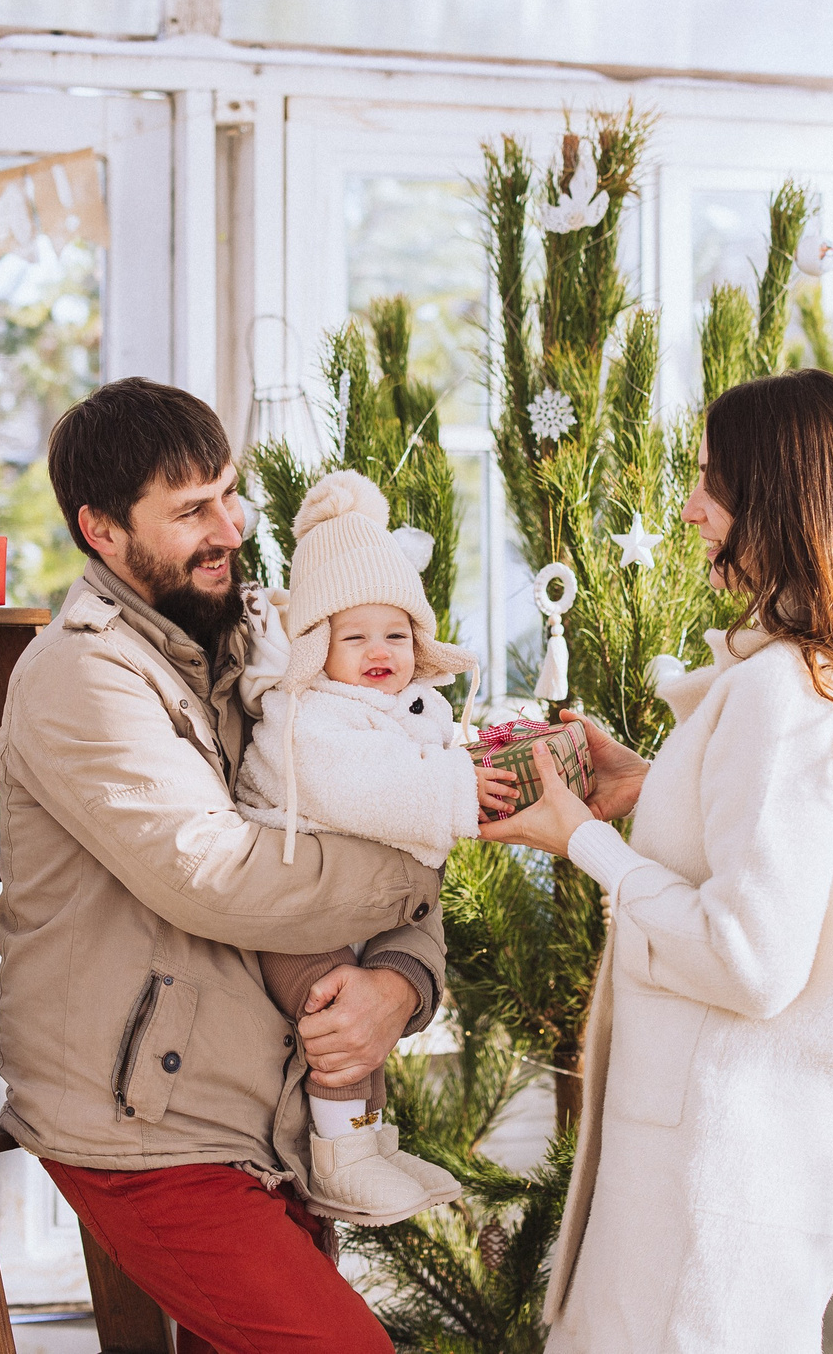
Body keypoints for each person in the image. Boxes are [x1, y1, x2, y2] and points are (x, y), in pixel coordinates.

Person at [483, 368, 833, 1354]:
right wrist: (647, 780)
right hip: (763, 1176)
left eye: (712, 481)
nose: (690, 507)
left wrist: (579, 834)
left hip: (708, 1184)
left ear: (778, 502)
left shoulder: (779, 691)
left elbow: (750, 956)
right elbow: (781, 854)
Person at [0, 377, 447, 1354]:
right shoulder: (84, 675)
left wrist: (399, 983)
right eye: (191, 508)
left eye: (228, 495)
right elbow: (218, 871)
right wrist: (414, 873)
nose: (229, 526)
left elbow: (396, 800)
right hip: (149, 1126)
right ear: (103, 532)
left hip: (279, 1110)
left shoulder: (272, 643)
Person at [233, 469, 518, 1224]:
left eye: (395, 633)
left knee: (373, 1010)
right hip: (295, 910)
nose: (378, 651)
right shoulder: (309, 717)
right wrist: (458, 791)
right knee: (336, 1010)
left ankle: (370, 1140)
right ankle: (341, 1156)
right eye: (353, 636)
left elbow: (411, 759)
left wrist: (459, 753)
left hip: (353, 900)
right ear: (317, 646)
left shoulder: (397, 704)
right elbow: (365, 790)